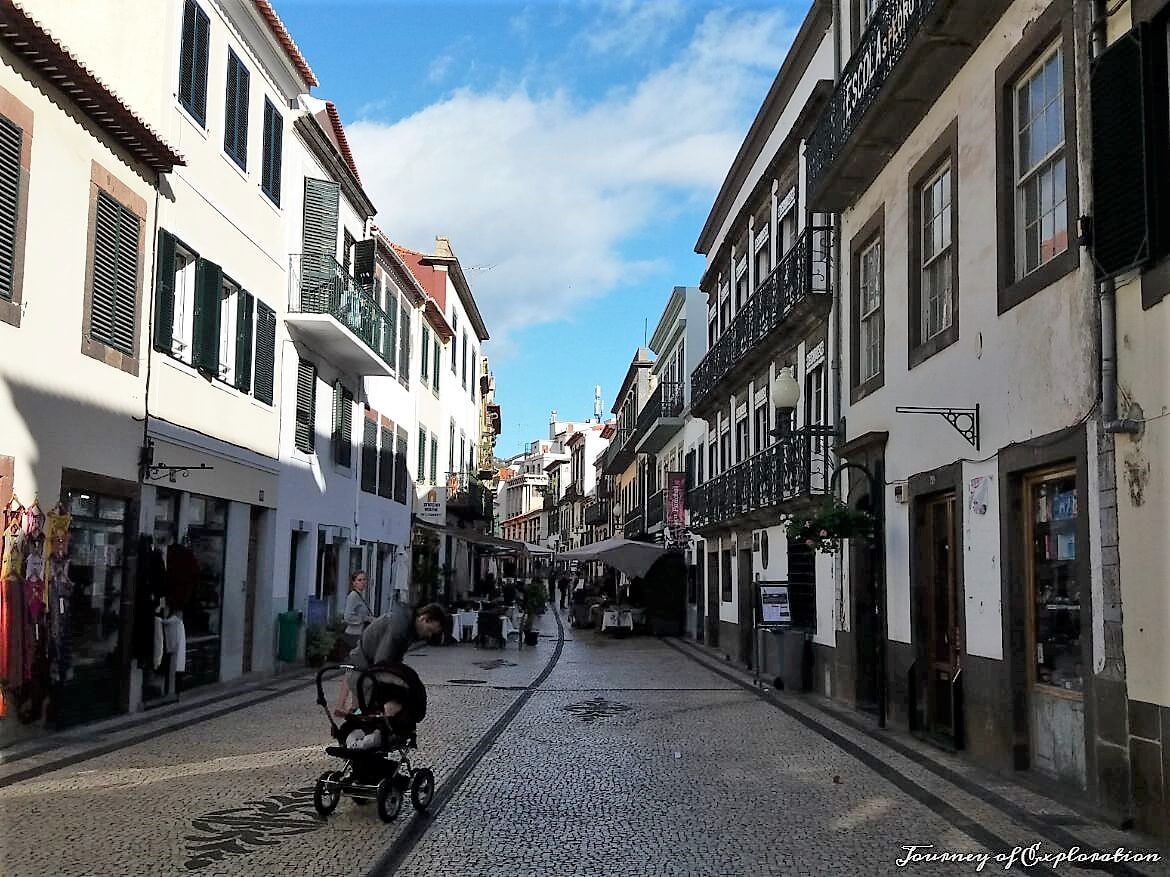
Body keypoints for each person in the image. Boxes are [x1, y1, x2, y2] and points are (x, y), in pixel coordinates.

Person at [333, 602, 447, 718]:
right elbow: (382, 662)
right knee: (366, 714)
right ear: (424, 618)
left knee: (364, 711)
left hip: (363, 669)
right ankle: (356, 725)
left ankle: (356, 719)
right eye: (430, 630)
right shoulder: (398, 628)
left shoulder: (405, 626)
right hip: (363, 672)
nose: (428, 635)